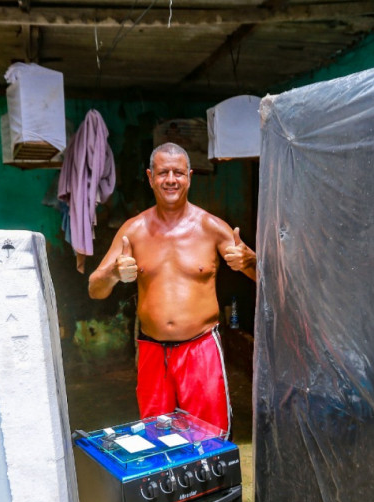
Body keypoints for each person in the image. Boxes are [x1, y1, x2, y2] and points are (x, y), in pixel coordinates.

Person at [89, 142, 256, 435]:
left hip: (200, 349)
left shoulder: (212, 227)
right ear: (150, 177)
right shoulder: (134, 230)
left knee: (208, 439)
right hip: (152, 352)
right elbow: (95, 289)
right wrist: (115, 273)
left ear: (189, 176)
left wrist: (251, 260)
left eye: (178, 172)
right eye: (163, 172)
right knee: (157, 439)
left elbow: (263, 276)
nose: (170, 180)